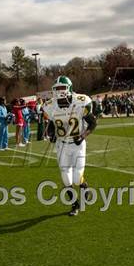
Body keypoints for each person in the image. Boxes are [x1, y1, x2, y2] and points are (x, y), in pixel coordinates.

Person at [43, 75, 97, 216]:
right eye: (57, 89)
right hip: (62, 145)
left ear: (69, 88)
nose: (60, 91)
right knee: (66, 179)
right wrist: (51, 135)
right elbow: (51, 126)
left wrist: (83, 136)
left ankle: (84, 186)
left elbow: (93, 123)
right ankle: (75, 205)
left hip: (77, 144)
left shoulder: (80, 102)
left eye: (62, 88)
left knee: (77, 177)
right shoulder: (50, 106)